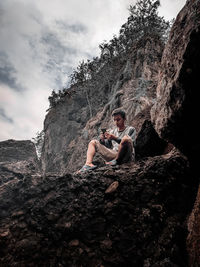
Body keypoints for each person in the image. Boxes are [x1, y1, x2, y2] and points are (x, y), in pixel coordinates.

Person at [78, 108, 136, 173]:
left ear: (124, 119)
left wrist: (115, 138)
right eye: (114, 120)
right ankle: (88, 164)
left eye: (118, 120)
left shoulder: (131, 129)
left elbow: (132, 144)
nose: (116, 122)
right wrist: (102, 140)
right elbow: (108, 145)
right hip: (114, 155)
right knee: (93, 142)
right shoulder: (113, 131)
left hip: (126, 156)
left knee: (126, 138)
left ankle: (117, 161)